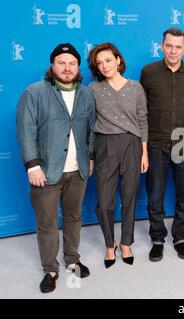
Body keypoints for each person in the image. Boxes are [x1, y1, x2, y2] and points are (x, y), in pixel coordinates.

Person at [16, 43, 95, 293]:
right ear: (52, 66)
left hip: (78, 171)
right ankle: (50, 268)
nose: (67, 67)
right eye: (61, 62)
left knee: (73, 217)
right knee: (48, 223)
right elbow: (26, 131)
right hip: (46, 171)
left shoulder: (86, 94)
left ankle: (72, 258)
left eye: (72, 63)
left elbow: (91, 130)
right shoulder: (34, 92)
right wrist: (32, 166)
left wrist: (90, 157)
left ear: (78, 67)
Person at [140, 28, 184, 261]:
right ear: (161, 46)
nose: (173, 50)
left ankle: (181, 238)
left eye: (178, 46)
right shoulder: (148, 72)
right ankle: (157, 239)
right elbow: (141, 110)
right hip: (156, 142)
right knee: (155, 195)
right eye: (169, 45)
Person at [88, 42, 148, 268]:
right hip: (105, 144)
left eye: (108, 60)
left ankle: (126, 242)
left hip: (132, 145)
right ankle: (109, 243)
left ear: (118, 60)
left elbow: (142, 120)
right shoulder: (92, 89)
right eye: (99, 63)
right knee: (104, 203)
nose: (104, 66)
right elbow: (90, 124)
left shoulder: (135, 87)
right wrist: (92, 155)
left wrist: (144, 153)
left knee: (130, 197)